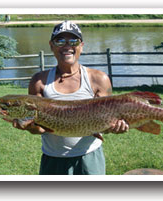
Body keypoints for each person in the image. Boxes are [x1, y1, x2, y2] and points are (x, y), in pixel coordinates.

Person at [13, 20, 129, 175]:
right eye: (60, 41)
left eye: (73, 41)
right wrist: (27, 126)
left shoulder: (99, 79)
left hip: (89, 158)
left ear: (81, 45)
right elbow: (39, 128)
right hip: (53, 159)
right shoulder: (39, 82)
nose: (67, 46)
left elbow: (105, 124)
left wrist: (116, 127)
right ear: (51, 45)